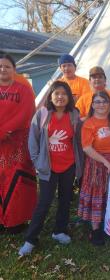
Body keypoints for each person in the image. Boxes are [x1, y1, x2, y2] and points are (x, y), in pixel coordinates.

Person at [18, 81, 83, 256]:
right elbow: (33, 141)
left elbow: (77, 141)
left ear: (69, 96)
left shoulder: (74, 115)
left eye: (64, 94)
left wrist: (78, 165)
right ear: (51, 96)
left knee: (65, 200)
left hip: (68, 166)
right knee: (44, 203)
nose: (60, 97)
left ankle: (59, 231)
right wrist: (37, 163)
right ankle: (30, 239)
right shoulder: (42, 114)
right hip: (48, 167)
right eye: (56, 94)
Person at [0, 52, 37, 234]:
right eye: (0, 66)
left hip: (17, 145)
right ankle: (1, 219)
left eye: (7, 66)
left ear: (14, 69)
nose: (3, 69)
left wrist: (4, 131)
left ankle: (16, 221)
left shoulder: (23, 89)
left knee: (17, 182)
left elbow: (25, 114)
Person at [78, 92, 110, 245]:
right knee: (97, 194)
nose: (101, 104)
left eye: (104, 101)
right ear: (93, 105)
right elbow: (87, 148)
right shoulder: (89, 123)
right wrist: (105, 162)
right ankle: (96, 229)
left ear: (109, 104)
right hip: (97, 164)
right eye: (97, 102)